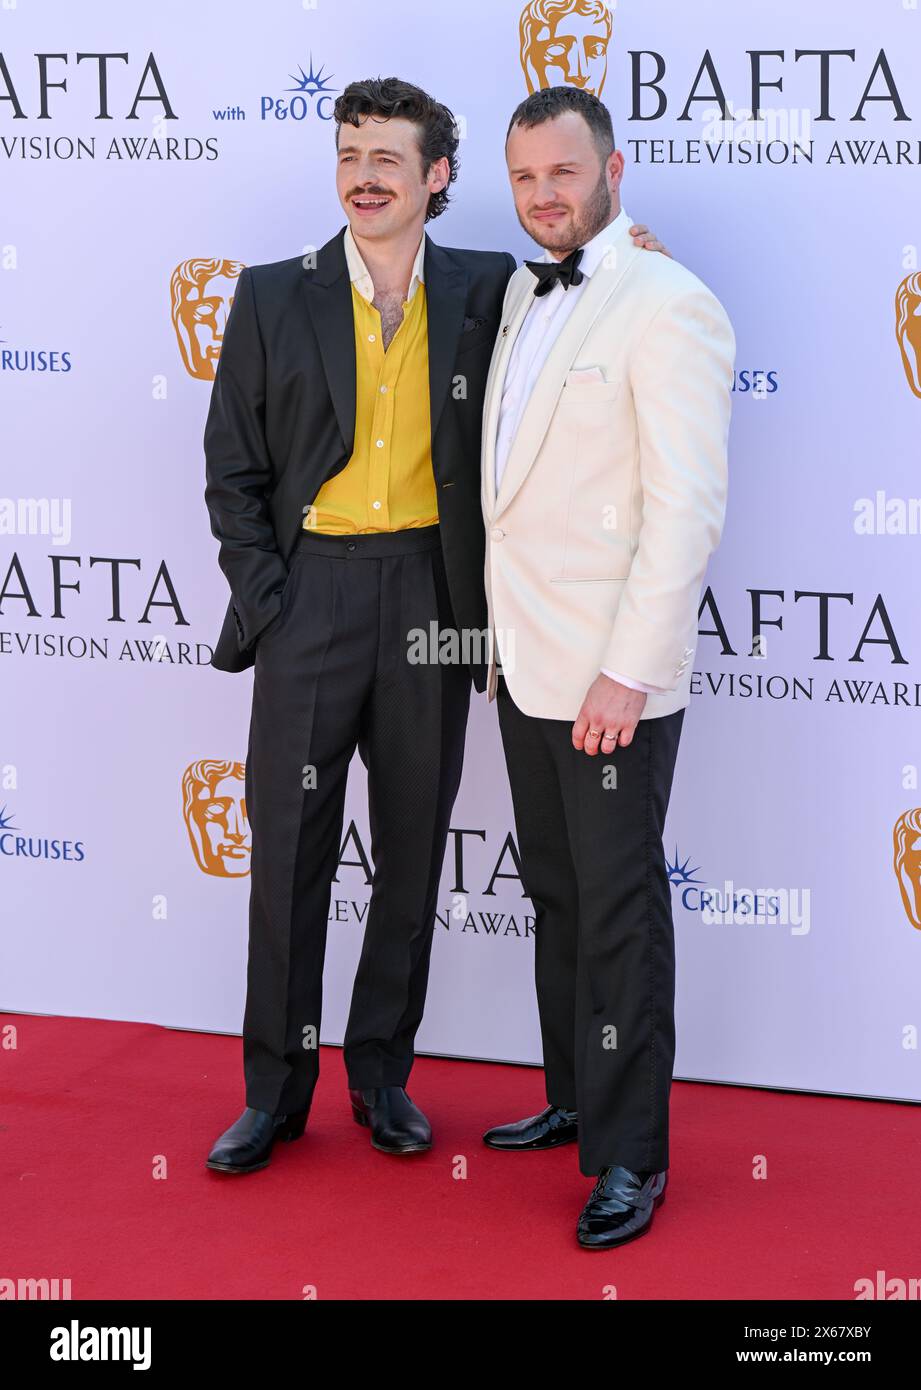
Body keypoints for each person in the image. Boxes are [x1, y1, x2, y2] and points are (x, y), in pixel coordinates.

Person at [202, 74, 668, 1176]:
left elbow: (597, 288)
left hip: (436, 599)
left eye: (388, 160)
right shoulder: (272, 293)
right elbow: (233, 470)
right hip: (310, 596)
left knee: (411, 853)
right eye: (350, 155)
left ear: (437, 177)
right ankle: (274, 1094)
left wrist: (634, 247)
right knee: (290, 863)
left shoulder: (491, 287)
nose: (365, 178)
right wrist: (273, 602)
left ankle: (380, 1077)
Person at [480, 85, 735, 1248]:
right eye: (526, 177)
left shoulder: (669, 303)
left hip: (610, 681)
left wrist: (629, 671)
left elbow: (686, 510)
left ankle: (632, 1157)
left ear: (615, 167)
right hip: (524, 666)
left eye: (564, 174)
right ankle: (577, 1096)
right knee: (559, 897)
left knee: (621, 910)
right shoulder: (519, 295)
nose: (544, 197)